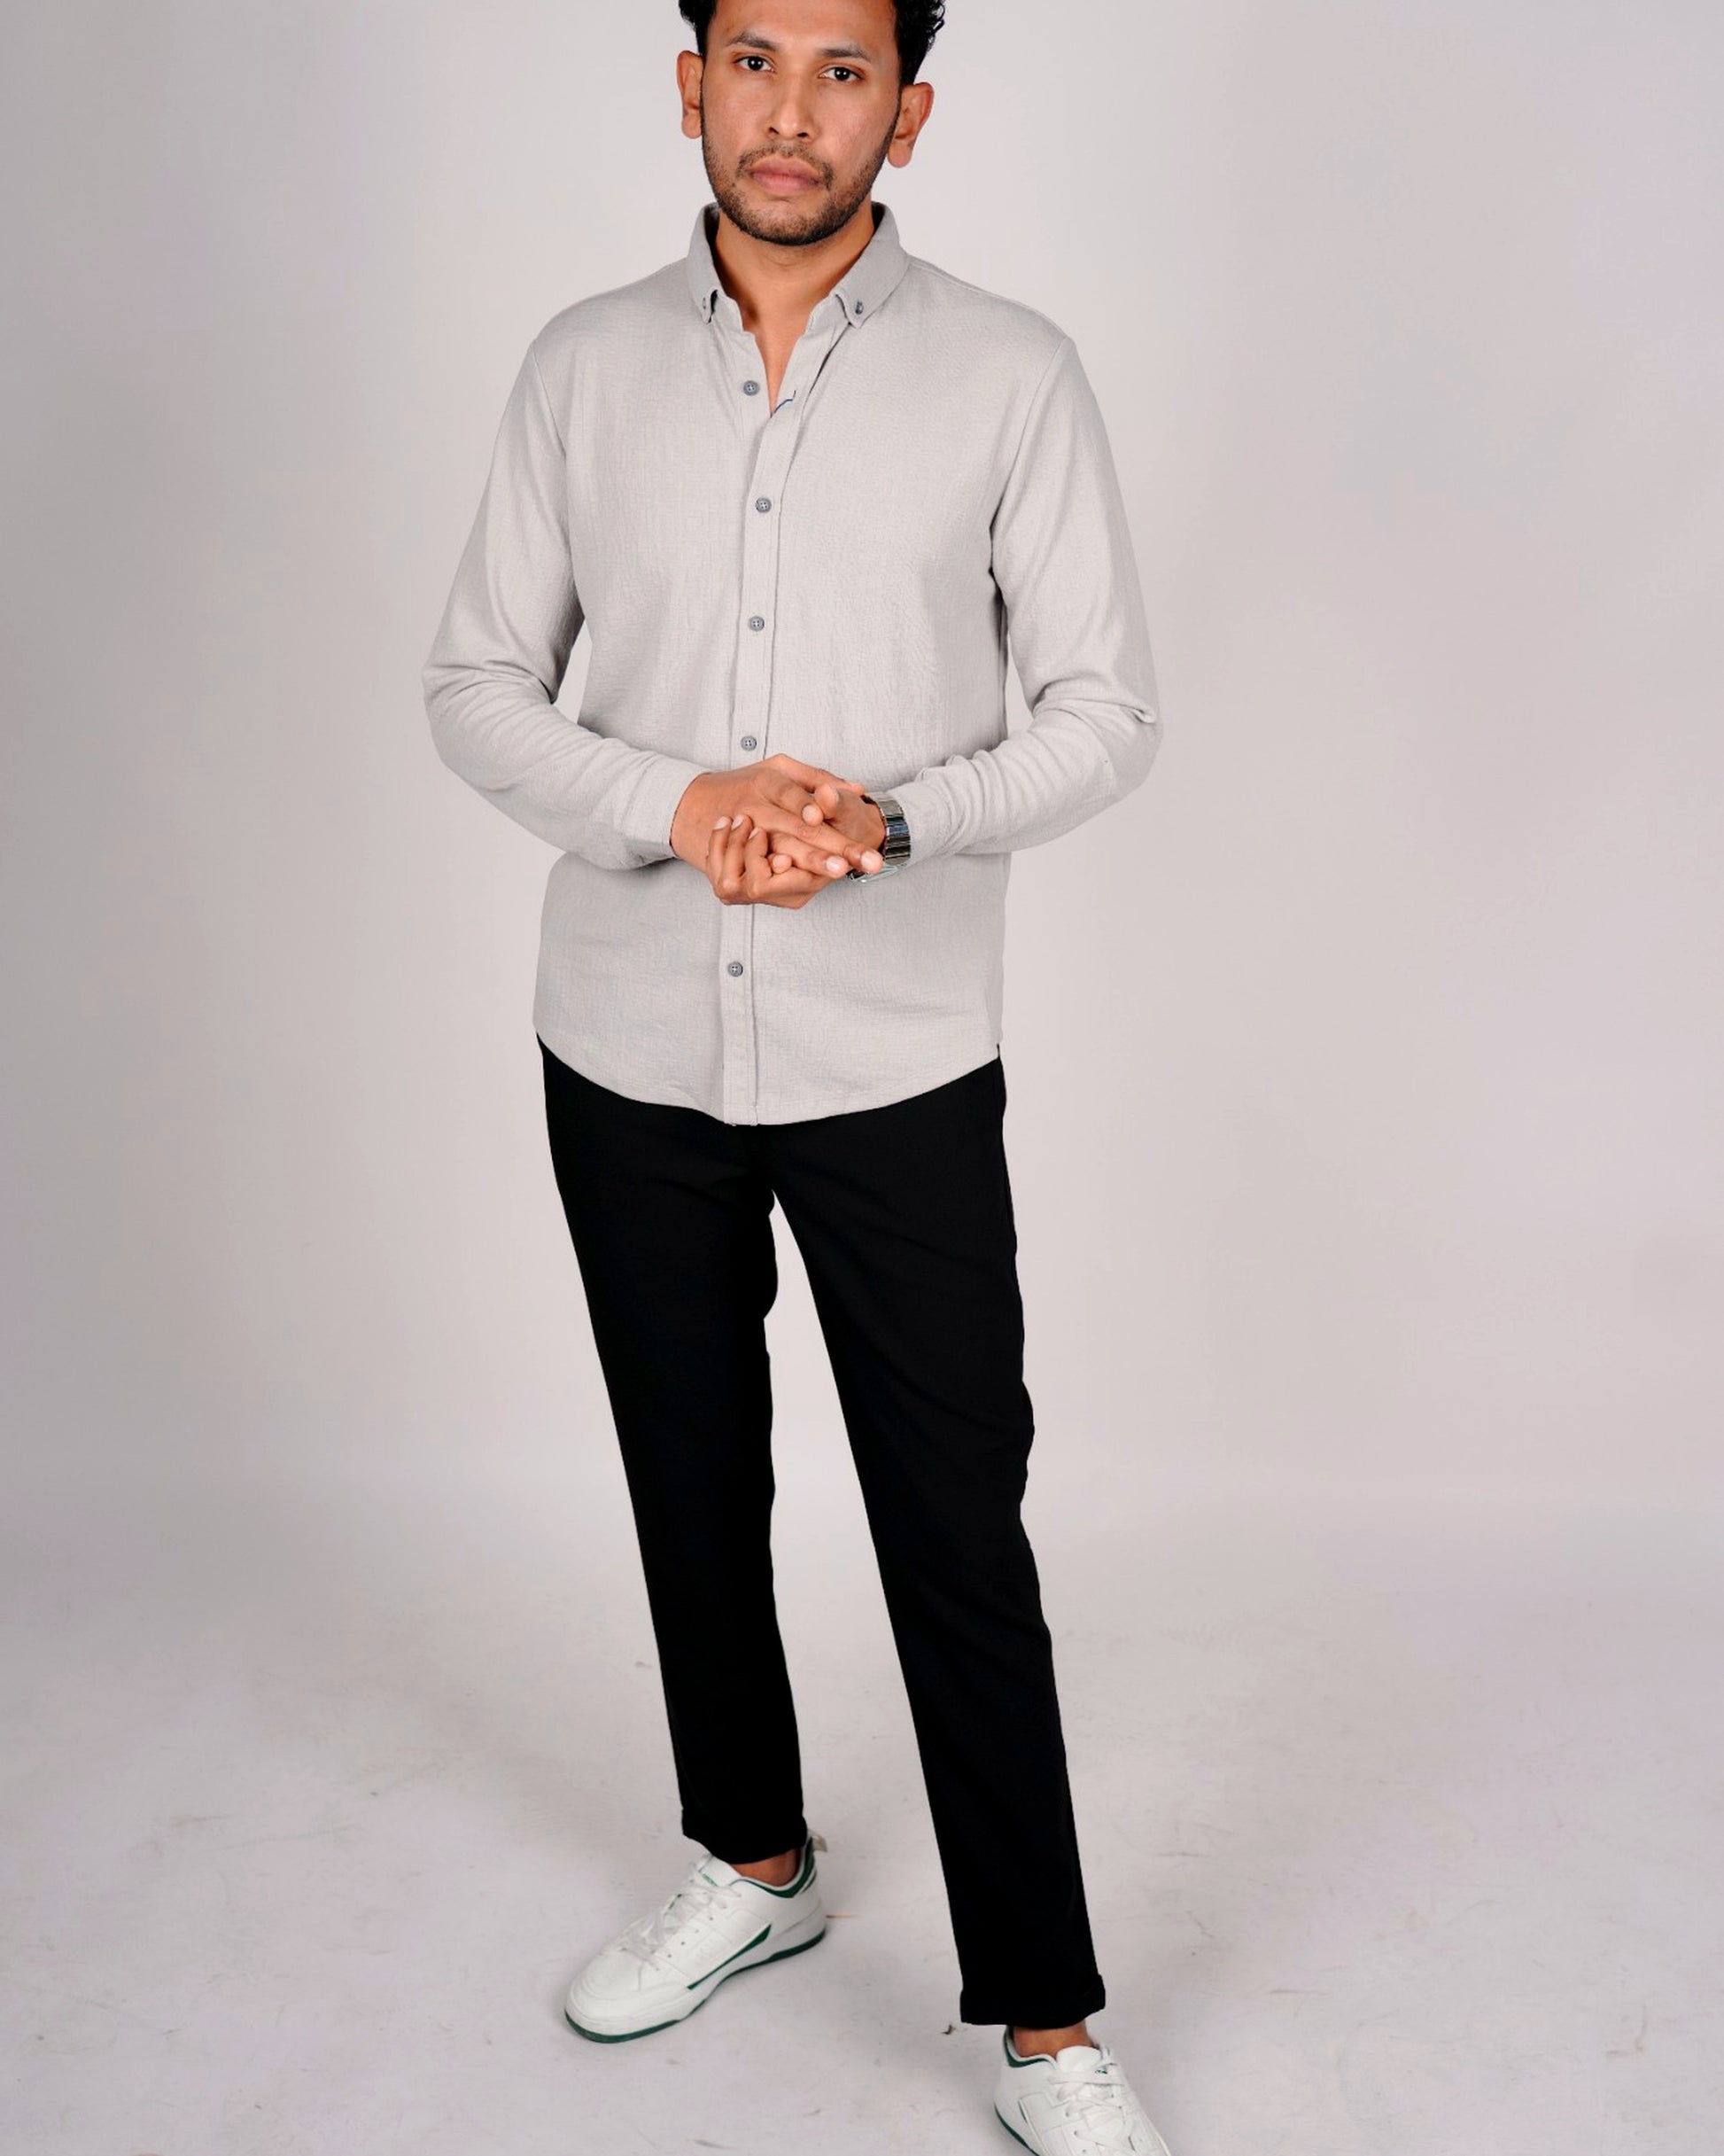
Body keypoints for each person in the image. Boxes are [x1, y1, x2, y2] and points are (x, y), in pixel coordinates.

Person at [421, 3, 1171, 2149]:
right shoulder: (579, 368)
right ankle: (749, 1860)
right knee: (689, 1477)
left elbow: (1105, 709)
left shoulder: (1010, 373)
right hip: (625, 1034)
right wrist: (679, 802)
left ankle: (1044, 2020)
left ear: (904, 112)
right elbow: (476, 680)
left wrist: (892, 819)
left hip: (897, 1052)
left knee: (954, 1522)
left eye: (843, 71)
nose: (791, 110)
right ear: (691, 82)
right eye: (754, 59)